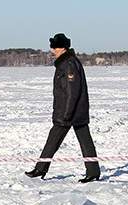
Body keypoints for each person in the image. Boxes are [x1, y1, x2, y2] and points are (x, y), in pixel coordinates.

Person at [24, 33, 100, 184]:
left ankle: (91, 172)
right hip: (72, 111)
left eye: (55, 47)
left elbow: (73, 91)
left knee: (75, 140)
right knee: (60, 140)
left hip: (70, 112)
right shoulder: (65, 62)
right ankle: (42, 168)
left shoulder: (69, 64)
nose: (53, 50)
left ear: (63, 48)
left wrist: (67, 113)